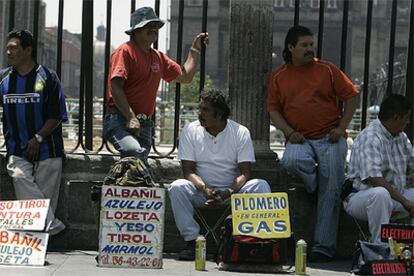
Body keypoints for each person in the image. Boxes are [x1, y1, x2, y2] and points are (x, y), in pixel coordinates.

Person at [267, 25, 360, 262]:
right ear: (291, 47)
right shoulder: (279, 76)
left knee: (332, 190)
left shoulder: (327, 70)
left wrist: (341, 127)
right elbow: (273, 110)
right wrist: (289, 131)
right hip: (300, 138)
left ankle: (324, 247)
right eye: (304, 45)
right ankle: (317, 185)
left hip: (331, 137)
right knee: (291, 160)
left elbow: (352, 96)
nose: (310, 49)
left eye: (311, 44)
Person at [169, 89, 271, 260]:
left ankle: (252, 242)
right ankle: (192, 241)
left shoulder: (240, 132)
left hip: (231, 193)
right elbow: (188, 171)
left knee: (261, 185)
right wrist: (206, 189)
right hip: (201, 192)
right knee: (177, 188)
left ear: (220, 113)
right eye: (200, 109)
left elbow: (245, 173)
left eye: (205, 110)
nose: (200, 114)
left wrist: (227, 192)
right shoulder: (190, 129)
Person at [103, 6, 208, 164]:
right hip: (120, 119)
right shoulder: (125, 51)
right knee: (134, 153)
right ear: (135, 31)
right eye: (148, 26)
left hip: (144, 124)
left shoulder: (158, 57)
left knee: (138, 168)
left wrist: (195, 49)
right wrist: (130, 117)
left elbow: (186, 77)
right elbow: (115, 86)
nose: (153, 29)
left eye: (156, 26)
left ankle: (118, 186)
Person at [0, 30, 68, 235]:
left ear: (28, 50)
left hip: (49, 148)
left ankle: (38, 244)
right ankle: (53, 224)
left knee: (44, 199)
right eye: (7, 47)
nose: (8, 51)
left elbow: (56, 115)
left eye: (13, 47)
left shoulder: (48, 77)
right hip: (16, 148)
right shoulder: (3, 79)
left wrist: (38, 138)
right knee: (19, 176)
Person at [344, 94, 414, 244]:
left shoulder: (401, 137)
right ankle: (379, 248)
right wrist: (405, 201)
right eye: (407, 117)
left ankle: (411, 249)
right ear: (396, 117)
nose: (408, 122)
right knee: (380, 194)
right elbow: (374, 179)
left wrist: (404, 200)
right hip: (361, 197)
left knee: (386, 195)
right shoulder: (370, 137)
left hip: (396, 196)